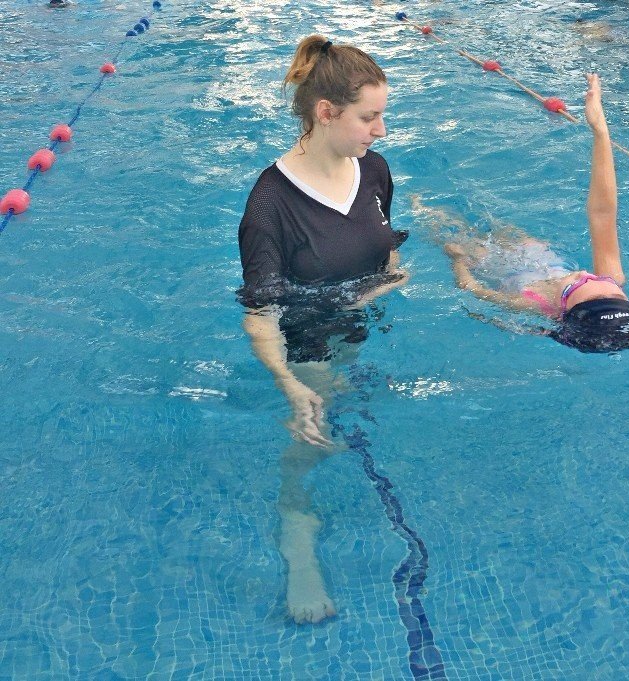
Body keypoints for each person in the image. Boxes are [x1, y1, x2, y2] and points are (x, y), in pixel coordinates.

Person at [238, 35, 408, 623]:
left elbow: (385, 247)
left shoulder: (376, 170)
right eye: (369, 117)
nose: (380, 131)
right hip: (308, 347)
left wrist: (389, 282)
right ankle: (298, 539)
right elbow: (260, 313)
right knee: (306, 447)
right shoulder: (269, 206)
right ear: (325, 112)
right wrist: (291, 385)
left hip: (361, 332)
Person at [416, 73, 629, 353]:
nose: (589, 274)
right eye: (612, 290)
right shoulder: (611, 277)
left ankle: (418, 206)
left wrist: (458, 261)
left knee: (445, 227)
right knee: (505, 229)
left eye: (581, 285)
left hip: (497, 266)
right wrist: (600, 130)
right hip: (534, 253)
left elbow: (473, 290)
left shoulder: (531, 303)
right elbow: (603, 211)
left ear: (565, 310)